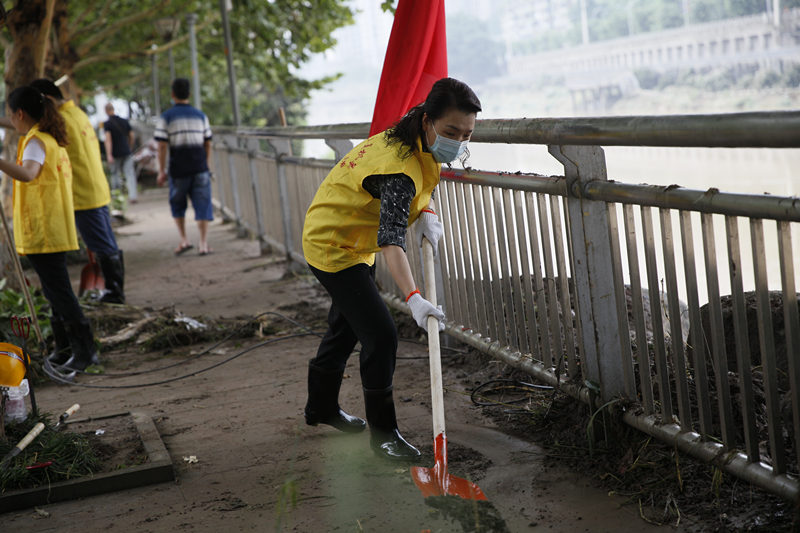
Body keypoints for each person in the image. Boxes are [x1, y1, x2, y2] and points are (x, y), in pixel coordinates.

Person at [301, 77, 481, 461]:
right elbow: (390, 239)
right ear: (429, 120)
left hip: (349, 235)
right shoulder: (398, 167)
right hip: (334, 245)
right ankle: (383, 436)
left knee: (347, 326)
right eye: (451, 132)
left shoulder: (413, 131)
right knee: (381, 336)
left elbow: (421, 181)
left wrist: (427, 209)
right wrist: (414, 297)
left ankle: (320, 407)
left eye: (467, 135)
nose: (458, 142)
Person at [0, 85, 99, 374]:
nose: (10, 120)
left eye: (9, 115)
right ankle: (64, 347)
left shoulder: (35, 141)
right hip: (51, 227)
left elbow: (29, 174)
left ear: (20, 114)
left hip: (46, 229)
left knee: (60, 292)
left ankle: (85, 351)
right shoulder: (48, 136)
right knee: (54, 291)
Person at [30, 79, 126, 307]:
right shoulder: (78, 114)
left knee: (102, 244)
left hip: (83, 194)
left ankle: (115, 293)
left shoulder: (60, 121)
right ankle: (114, 290)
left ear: (49, 101)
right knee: (106, 242)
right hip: (96, 189)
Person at [155, 78, 214, 256]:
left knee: (177, 204)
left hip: (178, 170)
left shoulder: (166, 117)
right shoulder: (200, 116)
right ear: (189, 94)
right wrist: (207, 164)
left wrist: (161, 171)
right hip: (200, 168)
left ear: (173, 94)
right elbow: (208, 143)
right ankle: (203, 243)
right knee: (203, 205)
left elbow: (162, 146)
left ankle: (184, 240)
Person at [103, 102, 137, 202]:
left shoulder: (107, 124)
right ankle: (133, 196)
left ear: (106, 111)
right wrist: (129, 147)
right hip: (126, 151)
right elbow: (132, 136)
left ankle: (118, 197)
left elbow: (108, 140)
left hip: (115, 153)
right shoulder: (124, 121)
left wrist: (109, 154)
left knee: (115, 174)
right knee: (130, 174)